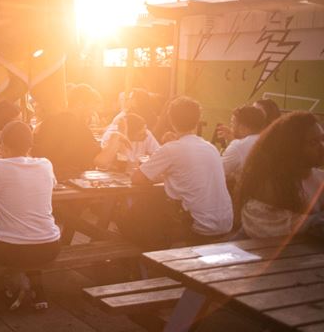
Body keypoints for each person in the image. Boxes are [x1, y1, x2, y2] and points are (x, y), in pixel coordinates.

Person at [0, 121, 61, 310]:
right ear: (29, 145)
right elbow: (54, 184)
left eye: (0, 144)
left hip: (10, 252)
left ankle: (11, 287)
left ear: (5, 146)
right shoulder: (45, 164)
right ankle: (36, 287)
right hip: (50, 247)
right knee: (29, 229)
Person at [129, 97, 233, 247]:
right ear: (198, 121)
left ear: (171, 121)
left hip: (198, 226)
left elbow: (137, 178)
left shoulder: (172, 149)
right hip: (225, 223)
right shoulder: (210, 147)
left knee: (132, 219)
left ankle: (147, 265)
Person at [237, 112, 323, 238]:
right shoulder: (272, 187)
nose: (322, 147)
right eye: (313, 143)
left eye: (323, 139)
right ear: (292, 148)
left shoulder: (319, 177)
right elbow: (267, 235)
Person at [218, 105, 266, 184]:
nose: (231, 128)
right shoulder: (269, 140)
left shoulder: (237, 146)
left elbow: (217, 172)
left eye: (233, 123)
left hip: (248, 195)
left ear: (243, 128)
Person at [96, 113, 160, 170]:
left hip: (135, 174)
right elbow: (102, 163)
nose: (146, 135)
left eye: (145, 131)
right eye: (140, 135)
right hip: (115, 176)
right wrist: (123, 134)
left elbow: (159, 154)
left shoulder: (146, 133)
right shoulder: (112, 135)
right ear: (130, 134)